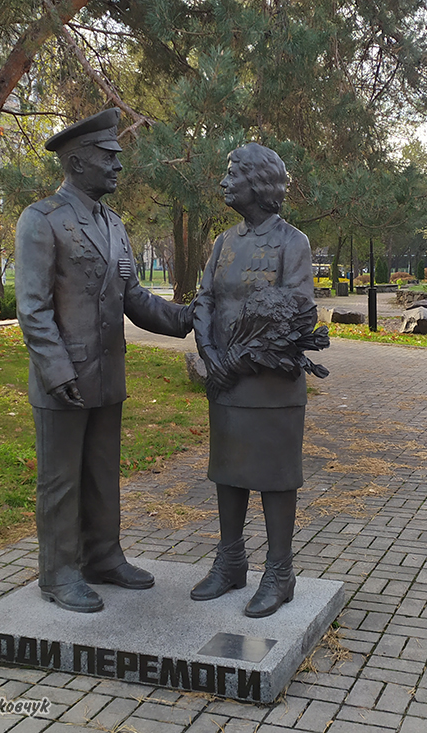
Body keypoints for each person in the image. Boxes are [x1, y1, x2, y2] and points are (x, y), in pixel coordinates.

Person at [15, 108, 192, 613]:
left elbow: (132, 296)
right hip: (63, 379)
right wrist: (54, 369)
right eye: (107, 157)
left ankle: (103, 557)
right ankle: (59, 573)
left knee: (100, 473)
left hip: (106, 375)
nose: (118, 166)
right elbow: (32, 307)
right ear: (75, 163)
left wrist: (185, 317)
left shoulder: (114, 226)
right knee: (60, 479)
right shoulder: (41, 220)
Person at [190, 142, 328, 618]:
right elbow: (204, 298)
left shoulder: (293, 243)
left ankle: (279, 573)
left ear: (258, 182)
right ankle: (230, 562)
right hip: (225, 381)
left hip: (271, 384)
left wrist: (237, 361)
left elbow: (293, 313)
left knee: (273, 474)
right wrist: (210, 355)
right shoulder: (224, 242)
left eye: (233, 174)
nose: (225, 182)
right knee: (228, 470)